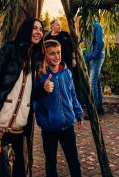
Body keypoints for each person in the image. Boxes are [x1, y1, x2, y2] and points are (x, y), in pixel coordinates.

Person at [0, 17, 44, 177]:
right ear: (26, 29)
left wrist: (43, 90)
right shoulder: (9, 50)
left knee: (18, 170)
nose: (39, 32)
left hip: (18, 127)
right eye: (35, 28)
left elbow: (29, 93)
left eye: (41, 29)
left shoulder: (35, 59)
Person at [34, 39, 83, 177]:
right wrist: (43, 120)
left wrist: (78, 112)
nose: (56, 56)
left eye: (58, 53)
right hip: (49, 128)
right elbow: (35, 101)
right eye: (52, 54)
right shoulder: (40, 76)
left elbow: (72, 94)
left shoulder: (66, 73)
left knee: (73, 159)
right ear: (45, 55)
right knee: (51, 162)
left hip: (67, 125)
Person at [45, 19, 85, 104]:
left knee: (69, 82)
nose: (60, 26)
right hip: (53, 65)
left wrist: (73, 59)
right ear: (52, 26)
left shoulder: (65, 34)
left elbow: (73, 47)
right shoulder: (47, 38)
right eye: (57, 25)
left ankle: (74, 102)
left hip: (67, 62)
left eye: (60, 25)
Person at [84, 18, 105, 117]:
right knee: (96, 81)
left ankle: (93, 110)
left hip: (96, 56)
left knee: (92, 83)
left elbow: (100, 43)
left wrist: (92, 55)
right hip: (91, 57)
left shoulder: (97, 26)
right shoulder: (87, 25)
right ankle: (99, 107)